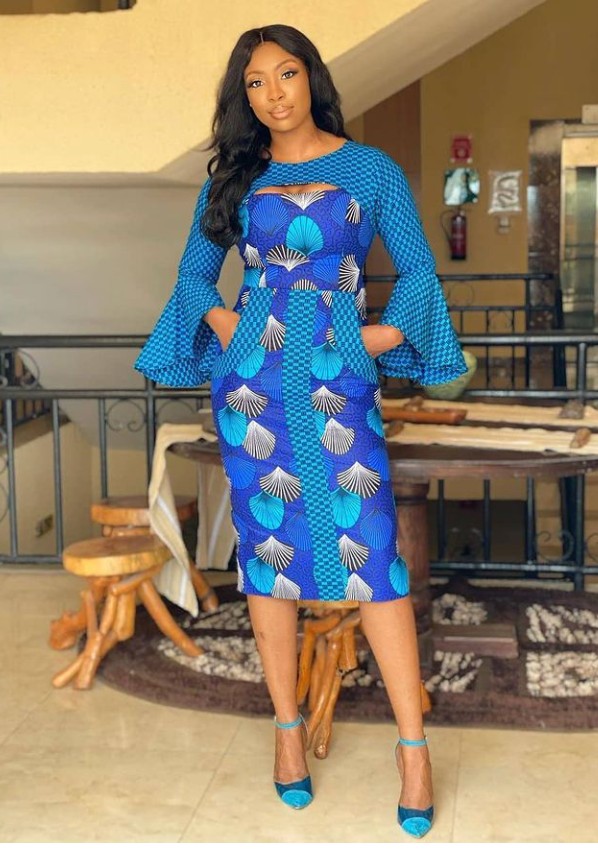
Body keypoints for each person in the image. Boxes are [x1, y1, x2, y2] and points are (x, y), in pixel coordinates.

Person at [135, 23, 468, 839]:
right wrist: (231, 324)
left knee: (376, 557)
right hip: (254, 390)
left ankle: (413, 748)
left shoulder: (369, 169)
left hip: (338, 382)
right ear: (244, 97)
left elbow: (418, 269)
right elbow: (192, 276)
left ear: (311, 78)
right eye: (255, 82)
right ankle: (287, 729)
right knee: (267, 556)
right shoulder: (236, 178)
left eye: (285, 74)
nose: (273, 93)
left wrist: (375, 337)